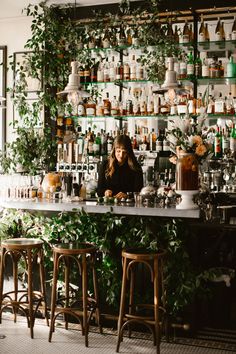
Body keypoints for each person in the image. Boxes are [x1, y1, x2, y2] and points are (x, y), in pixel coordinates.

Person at [97, 134, 143, 199]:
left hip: (129, 207)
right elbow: (99, 191)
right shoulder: (105, 165)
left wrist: (127, 196)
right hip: (108, 205)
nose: (121, 155)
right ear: (114, 151)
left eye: (124, 152)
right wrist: (105, 192)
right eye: (118, 151)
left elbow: (139, 193)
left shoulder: (136, 167)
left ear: (128, 152)